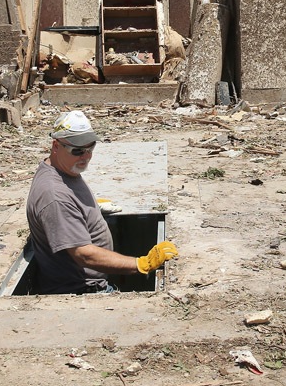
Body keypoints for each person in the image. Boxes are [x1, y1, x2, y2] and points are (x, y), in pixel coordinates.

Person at [25, 110, 178, 294]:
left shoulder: (62, 170)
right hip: (80, 291)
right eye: (78, 150)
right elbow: (85, 255)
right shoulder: (55, 197)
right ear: (56, 146)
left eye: (91, 148)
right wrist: (141, 264)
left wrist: (87, 207)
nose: (86, 156)